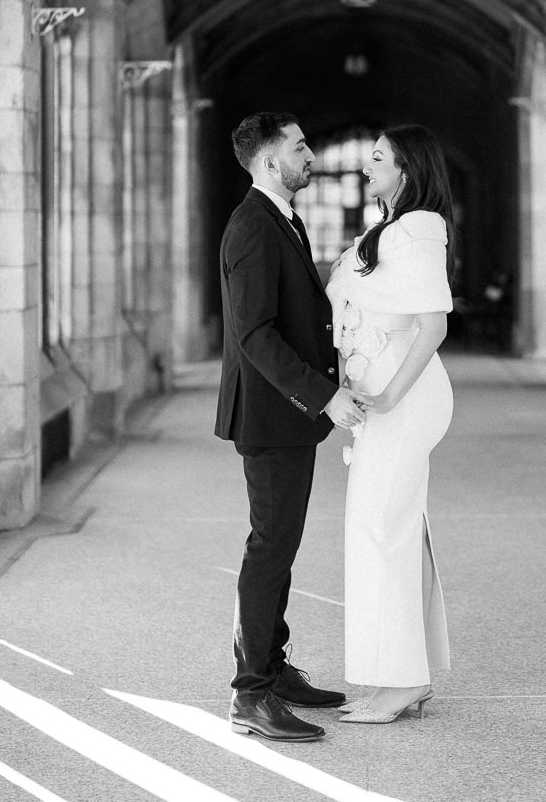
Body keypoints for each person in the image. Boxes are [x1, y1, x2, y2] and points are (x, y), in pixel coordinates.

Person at [215, 111, 367, 742]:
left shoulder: (284, 218)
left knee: (279, 544)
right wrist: (323, 396)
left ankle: (273, 671)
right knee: (269, 547)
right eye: (300, 146)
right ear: (269, 160)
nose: (310, 154)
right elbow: (254, 334)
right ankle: (250, 695)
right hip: (273, 414)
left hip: (286, 416)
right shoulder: (253, 225)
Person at [326, 124, 455, 724]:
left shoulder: (419, 228)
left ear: (407, 170)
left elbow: (433, 326)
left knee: (382, 531)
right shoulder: (388, 230)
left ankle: (399, 682)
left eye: (377, 159)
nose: (365, 166)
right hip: (381, 396)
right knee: (385, 529)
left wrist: (387, 399)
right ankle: (405, 673)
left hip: (402, 400)